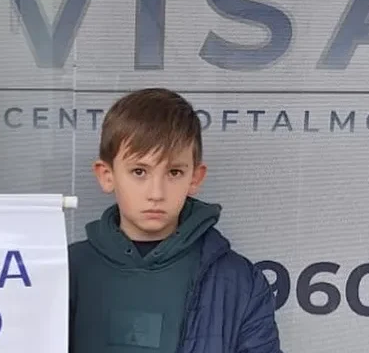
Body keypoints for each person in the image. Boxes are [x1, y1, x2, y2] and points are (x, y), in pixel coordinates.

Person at [68, 88, 281, 353]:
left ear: (195, 178)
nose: (156, 193)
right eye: (139, 171)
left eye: (174, 172)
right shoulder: (64, 271)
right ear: (106, 175)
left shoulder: (239, 282)